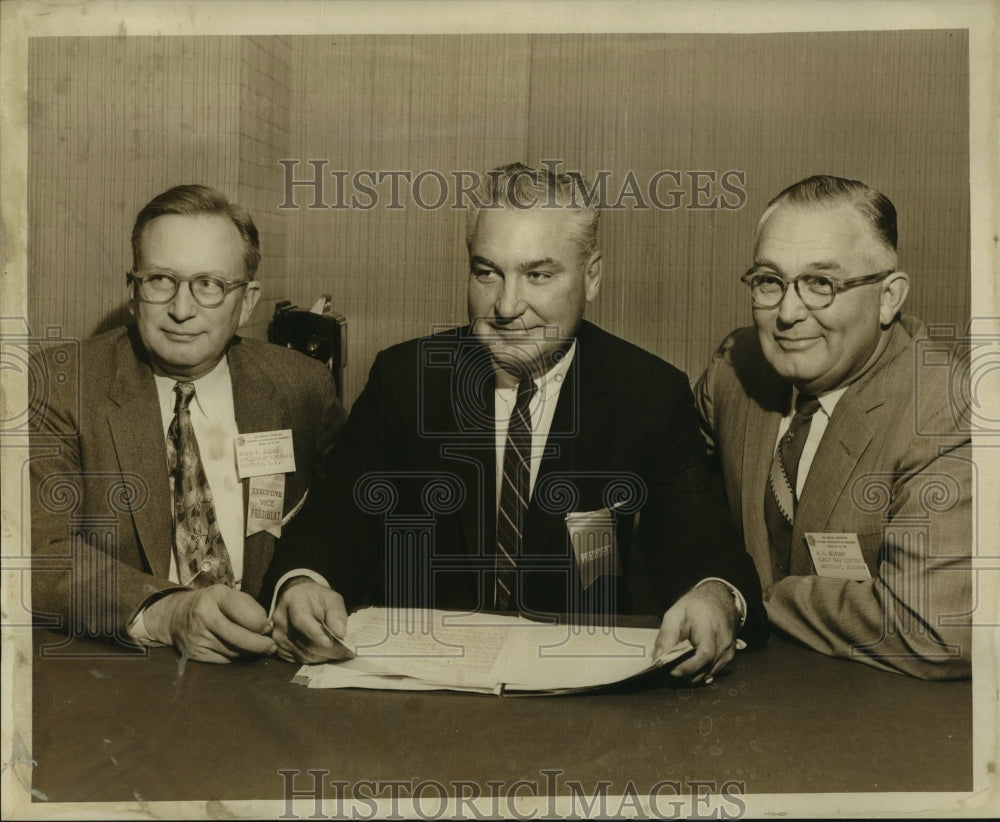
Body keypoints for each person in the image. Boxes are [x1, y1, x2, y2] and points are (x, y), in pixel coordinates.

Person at [264, 163, 767, 683]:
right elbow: (337, 518)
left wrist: (713, 596)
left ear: (591, 276)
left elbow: (697, 535)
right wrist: (303, 582)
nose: (506, 306)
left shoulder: (648, 393)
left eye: (538, 275)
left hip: (578, 701)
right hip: (419, 692)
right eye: (487, 273)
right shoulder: (405, 380)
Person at [30, 184, 346, 663]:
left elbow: (344, 515)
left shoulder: (301, 386)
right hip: (131, 671)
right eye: (160, 280)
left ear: (247, 301)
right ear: (133, 292)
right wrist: (166, 613)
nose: (181, 309)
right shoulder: (60, 385)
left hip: (271, 665)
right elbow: (33, 551)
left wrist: (300, 581)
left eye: (210, 284)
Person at [694, 175, 972, 679]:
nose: (789, 312)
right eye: (769, 282)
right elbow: (669, 500)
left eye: (821, 283)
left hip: (878, 722)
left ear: (889, 297)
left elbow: (934, 628)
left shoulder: (943, 409)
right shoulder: (735, 371)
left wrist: (745, 598)